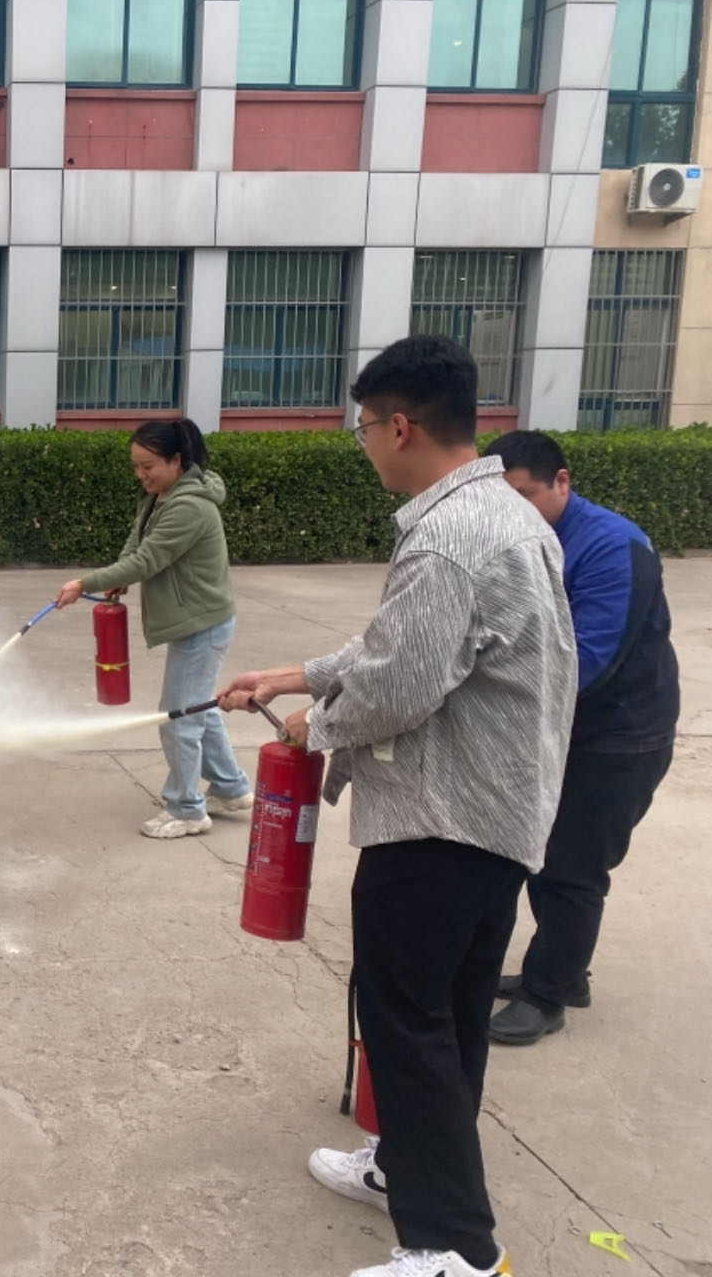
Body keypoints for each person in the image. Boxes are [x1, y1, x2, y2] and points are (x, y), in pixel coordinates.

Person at [218, 335, 576, 1277]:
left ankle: (454, 1247)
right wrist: (297, 673)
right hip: (494, 816)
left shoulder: (448, 539)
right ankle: (403, 1170)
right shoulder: (504, 513)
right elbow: (404, 645)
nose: (366, 444)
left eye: (366, 428)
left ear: (402, 426)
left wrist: (316, 723)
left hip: (441, 820)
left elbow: (396, 687)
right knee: (445, 1016)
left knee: (408, 1021)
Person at [481, 431, 679, 1046]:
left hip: (620, 735)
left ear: (562, 482)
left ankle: (546, 996)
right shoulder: (522, 539)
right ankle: (565, 974)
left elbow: (591, 660)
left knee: (572, 868)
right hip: (563, 728)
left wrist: (490, 701)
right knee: (541, 856)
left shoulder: (613, 547)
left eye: (525, 496)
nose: (515, 512)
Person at [53, 418, 252, 839]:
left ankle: (187, 809)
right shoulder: (160, 497)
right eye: (136, 466)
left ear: (176, 460)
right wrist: (116, 576)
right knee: (197, 708)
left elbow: (148, 561)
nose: (141, 475)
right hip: (195, 621)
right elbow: (136, 546)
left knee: (177, 717)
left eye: (149, 466)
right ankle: (230, 788)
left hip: (203, 625)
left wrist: (85, 583)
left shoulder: (189, 506)